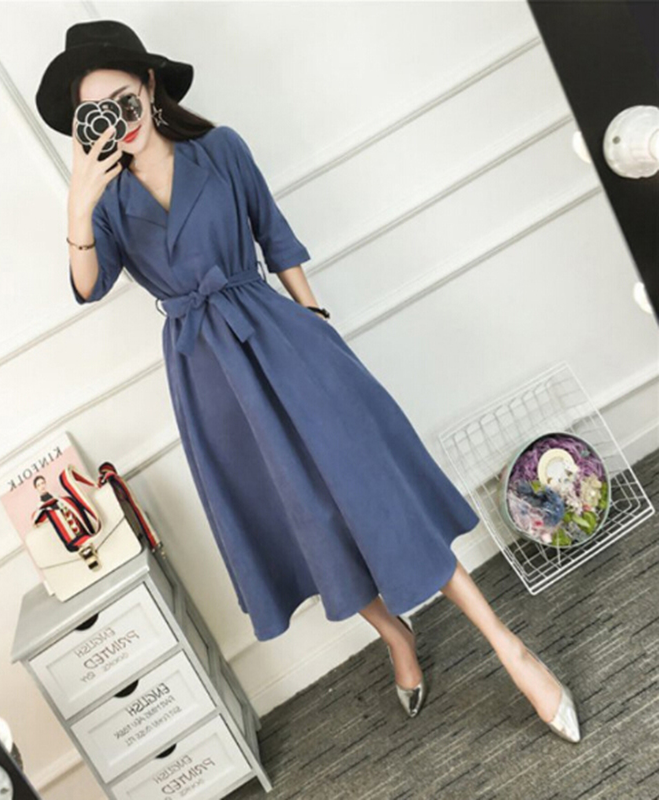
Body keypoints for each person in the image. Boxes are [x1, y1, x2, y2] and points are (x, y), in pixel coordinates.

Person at [35, 20, 581, 741]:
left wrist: (319, 325)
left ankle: (509, 647)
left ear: (151, 85)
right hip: (210, 382)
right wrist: (77, 205)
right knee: (303, 523)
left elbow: (276, 237)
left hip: (284, 339)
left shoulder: (219, 150)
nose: (118, 123)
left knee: (377, 493)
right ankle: (394, 635)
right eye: (97, 115)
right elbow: (89, 285)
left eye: (124, 101)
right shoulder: (103, 204)